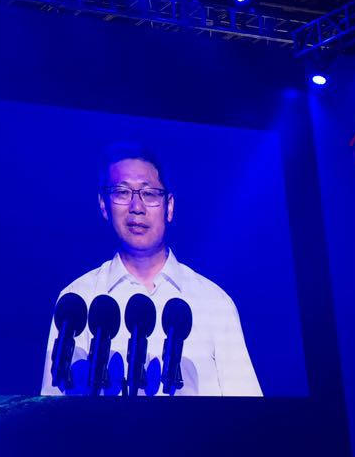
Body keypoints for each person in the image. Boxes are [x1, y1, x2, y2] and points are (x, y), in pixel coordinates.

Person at [41, 145, 262, 397]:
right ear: (103, 205)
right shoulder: (77, 300)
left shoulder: (214, 303)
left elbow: (247, 408)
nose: (136, 206)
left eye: (149, 194)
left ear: (169, 206)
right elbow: (51, 404)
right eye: (122, 192)